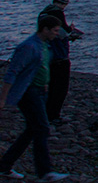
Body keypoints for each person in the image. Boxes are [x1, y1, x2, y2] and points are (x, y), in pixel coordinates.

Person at [0, 13, 70, 181]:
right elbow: (12, 73)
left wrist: (45, 84)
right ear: (44, 29)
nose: (56, 34)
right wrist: (3, 98)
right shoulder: (29, 47)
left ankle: (4, 166)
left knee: (32, 130)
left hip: (39, 91)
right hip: (27, 92)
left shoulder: (44, 45)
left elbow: (40, 67)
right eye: (54, 30)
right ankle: (45, 172)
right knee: (42, 128)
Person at [37, 0, 80, 127]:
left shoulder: (43, 14)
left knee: (50, 88)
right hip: (59, 57)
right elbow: (62, 34)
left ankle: (45, 114)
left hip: (46, 56)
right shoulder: (58, 14)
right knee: (60, 89)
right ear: (64, 4)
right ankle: (53, 116)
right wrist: (71, 31)